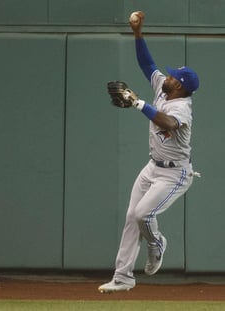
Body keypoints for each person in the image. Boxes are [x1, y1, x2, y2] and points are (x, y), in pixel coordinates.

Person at [98, 11, 200, 293]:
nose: (165, 76)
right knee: (132, 217)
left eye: (171, 76)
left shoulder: (181, 107)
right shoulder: (164, 91)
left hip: (175, 173)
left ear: (179, 84)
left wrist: (138, 104)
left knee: (144, 215)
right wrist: (138, 32)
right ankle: (122, 277)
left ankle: (157, 244)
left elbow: (167, 122)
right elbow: (147, 64)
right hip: (152, 167)